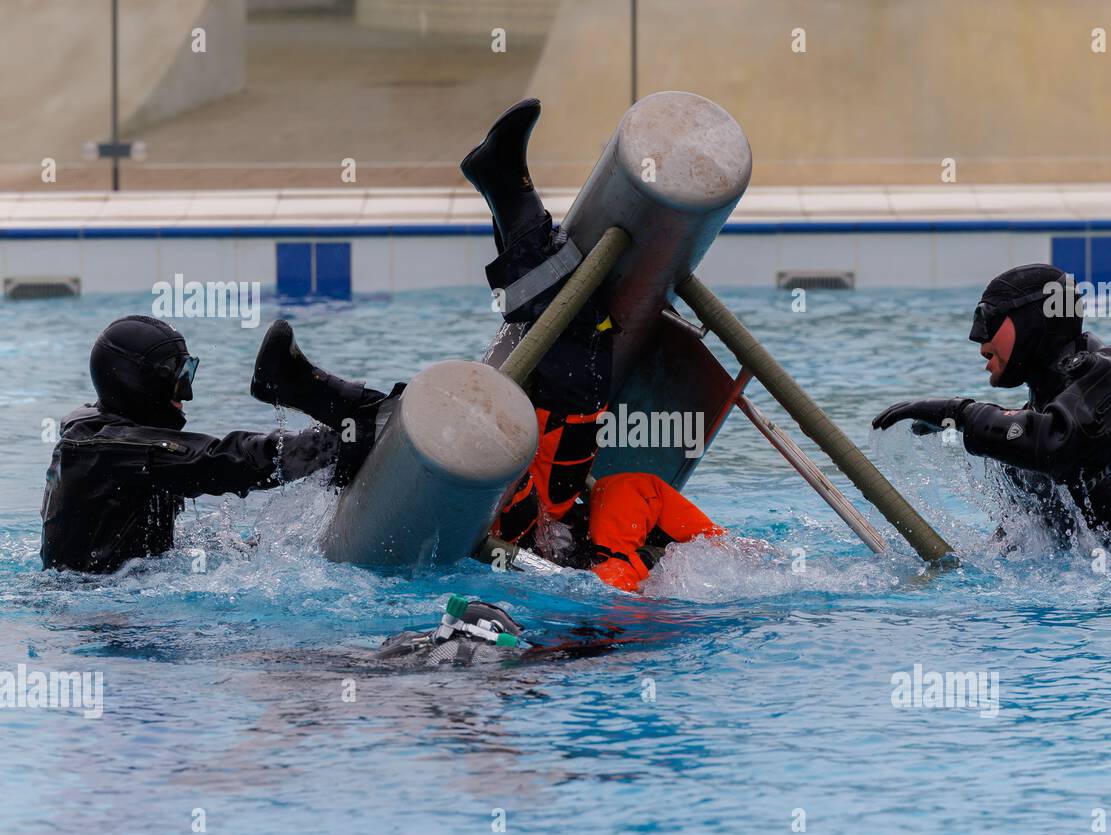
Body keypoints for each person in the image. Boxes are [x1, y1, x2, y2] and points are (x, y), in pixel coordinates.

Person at [460, 100, 724, 590]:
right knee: (578, 339)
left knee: (579, 340)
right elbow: (722, 552)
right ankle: (506, 189)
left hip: (533, 530)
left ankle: (508, 190)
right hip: (553, 510)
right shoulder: (635, 537)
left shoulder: (620, 571)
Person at [871, 263, 1111, 557]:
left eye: (987, 319)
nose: (979, 339)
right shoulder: (1036, 432)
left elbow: (1054, 440)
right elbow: (1020, 544)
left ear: (1031, 322)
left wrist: (956, 413)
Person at [40, 315, 399, 573]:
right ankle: (349, 406)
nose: (187, 393)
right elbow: (220, 461)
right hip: (104, 617)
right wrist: (334, 444)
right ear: (140, 383)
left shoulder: (99, 429)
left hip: (121, 595)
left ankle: (343, 403)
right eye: (179, 377)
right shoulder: (106, 448)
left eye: (189, 372)